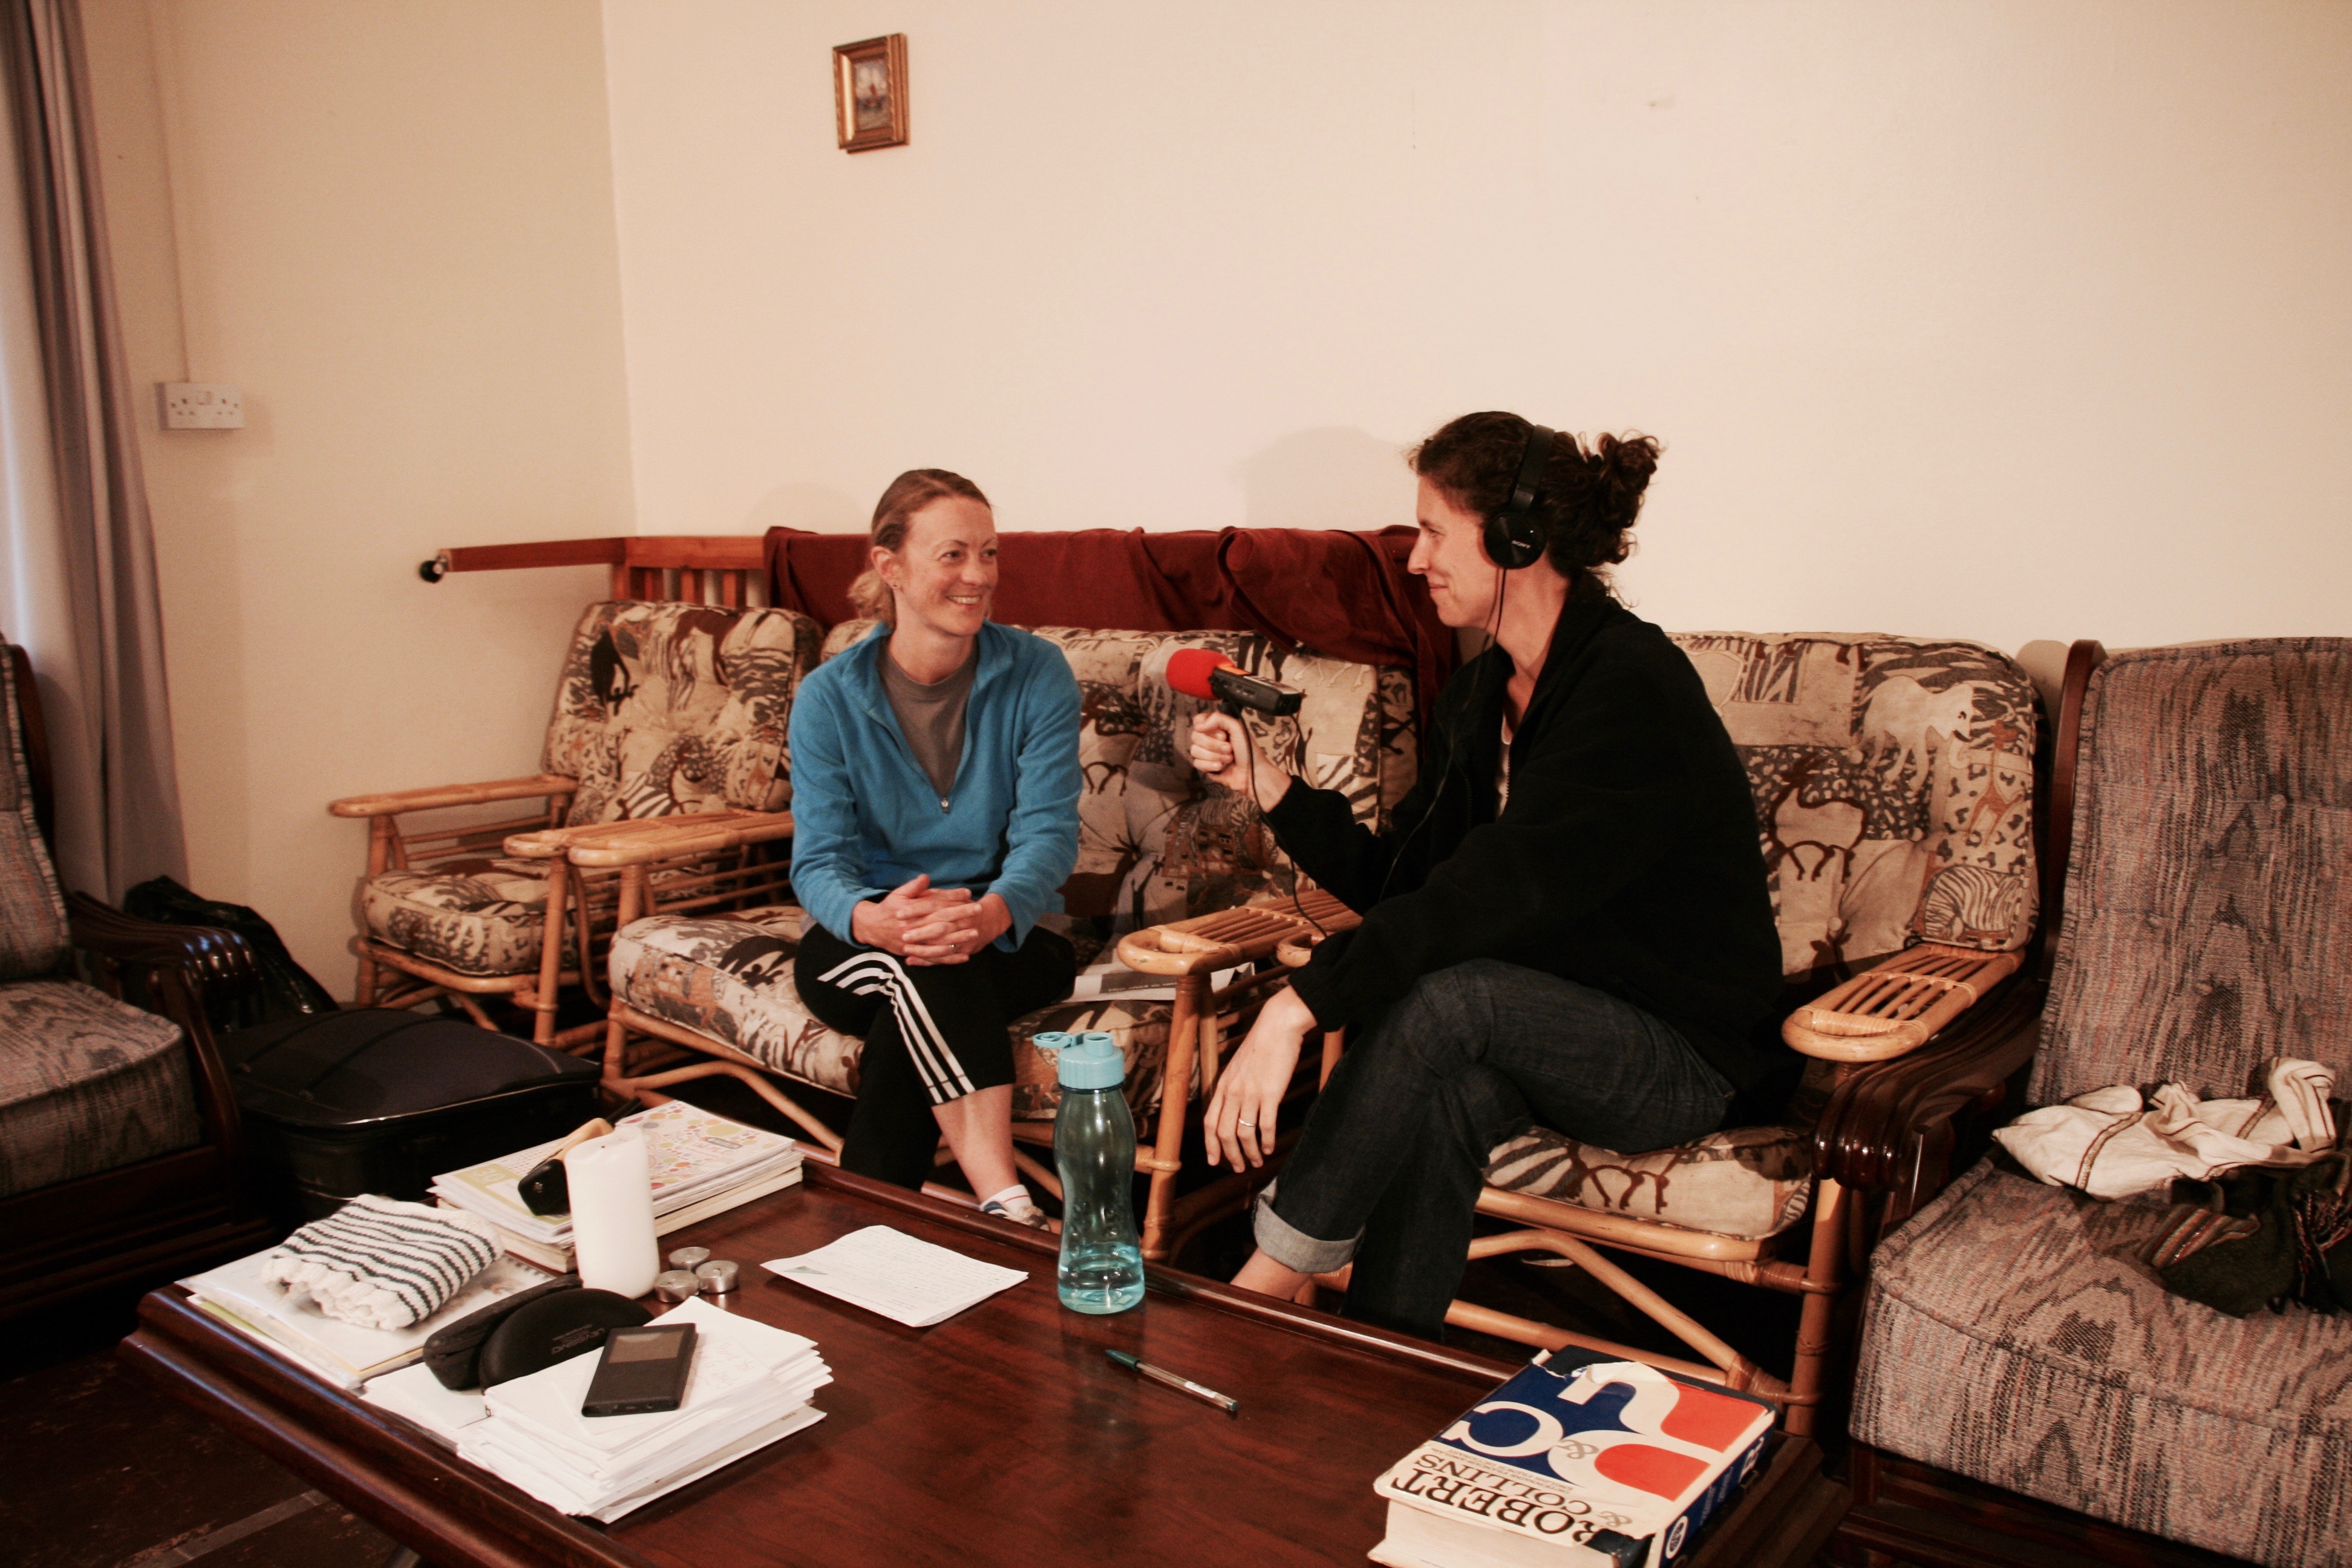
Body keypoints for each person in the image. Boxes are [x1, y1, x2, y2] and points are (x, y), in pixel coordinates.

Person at [1189, 413, 1782, 1339]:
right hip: (1551, 1036)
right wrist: (1275, 790)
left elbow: (1502, 889)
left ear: (1517, 538)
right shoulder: (1478, 698)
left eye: (1434, 532)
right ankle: (1384, 1360)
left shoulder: (1631, 687)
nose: (1415, 558)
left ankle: (1259, 1295)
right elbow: (1412, 889)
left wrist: (1295, 1009)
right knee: (1445, 1093)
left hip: (1680, 1056)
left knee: (1452, 999)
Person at [787, 469, 1082, 1226]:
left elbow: (1049, 835)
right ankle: (1004, 1201)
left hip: (1015, 934)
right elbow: (818, 863)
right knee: (921, 962)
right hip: (865, 935)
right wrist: (874, 919)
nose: (978, 576)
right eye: (954, 555)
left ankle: (869, 1231)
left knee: (925, 978)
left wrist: (989, 915)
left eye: (989, 553)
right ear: (890, 566)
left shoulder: (1036, 672)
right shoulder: (828, 697)